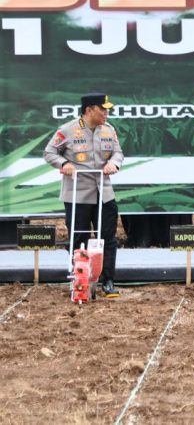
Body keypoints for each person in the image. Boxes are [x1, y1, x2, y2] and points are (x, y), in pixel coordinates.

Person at [43, 93, 124, 298]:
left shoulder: (109, 129)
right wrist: (64, 164)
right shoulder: (68, 130)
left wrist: (114, 163)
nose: (107, 113)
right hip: (77, 193)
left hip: (104, 192)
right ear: (89, 110)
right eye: (102, 109)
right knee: (79, 237)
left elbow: (118, 152)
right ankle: (80, 279)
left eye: (107, 109)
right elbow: (50, 153)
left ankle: (108, 280)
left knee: (108, 238)